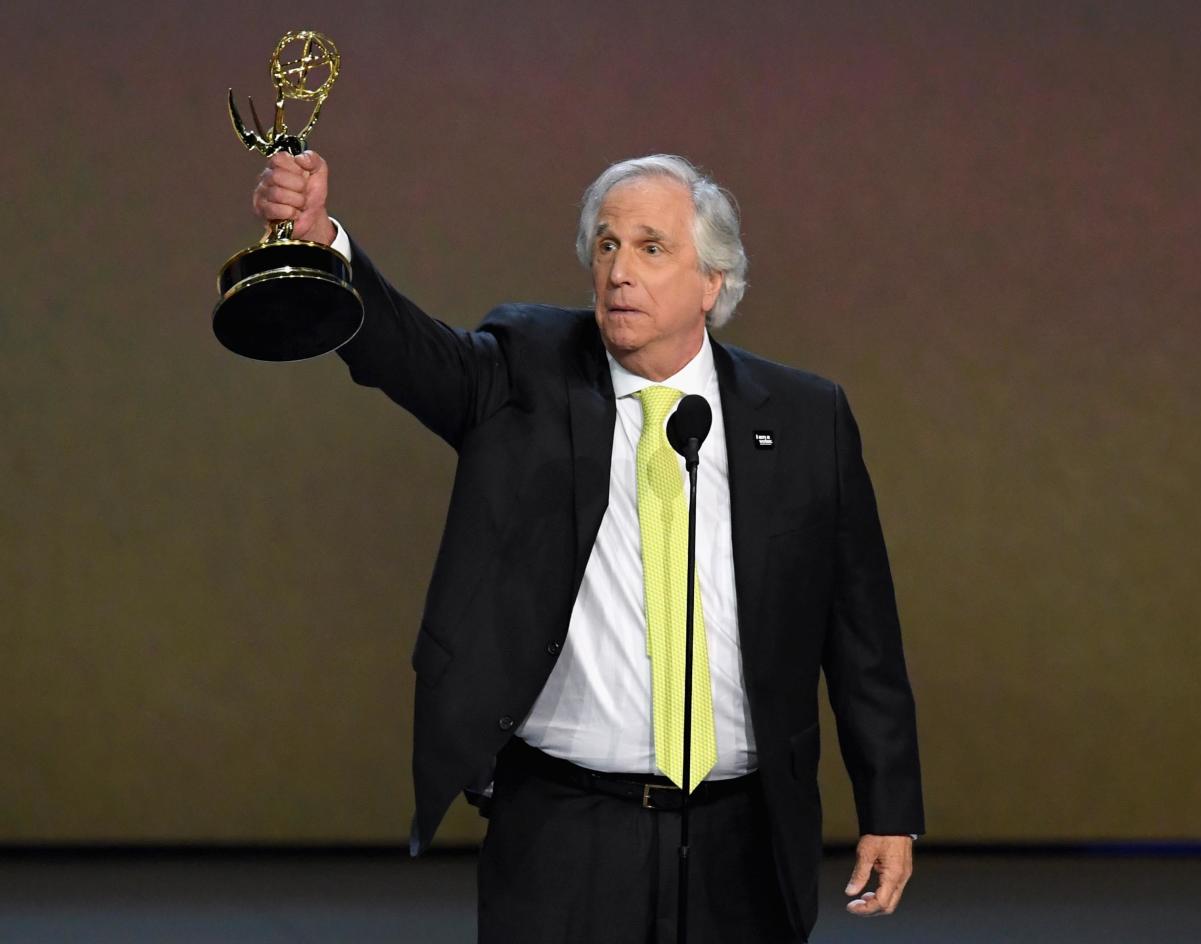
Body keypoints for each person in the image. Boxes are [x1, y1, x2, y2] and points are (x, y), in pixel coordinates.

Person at [250, 149, 925, 942]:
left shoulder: (808, 418)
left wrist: (888, 809)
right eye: (605, 246)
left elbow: (861, 635)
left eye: (649, 247)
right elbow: (404, 351)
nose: (618, 271)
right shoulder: (524, 374)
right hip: (564, 832)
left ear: (714, 282)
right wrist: (318, 242)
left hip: (741, 836)